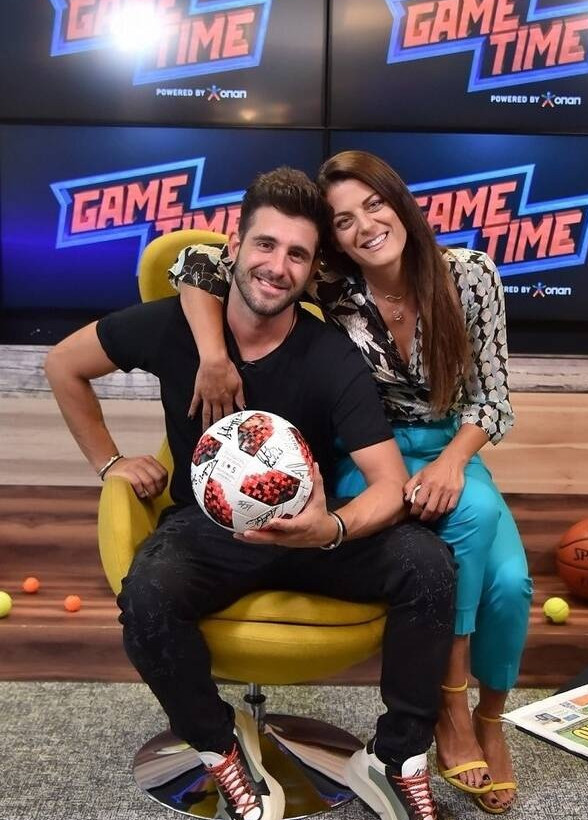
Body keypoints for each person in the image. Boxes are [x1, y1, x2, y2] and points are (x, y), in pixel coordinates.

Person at [45, 167, 456, 820]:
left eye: (297, 254)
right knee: (146, 594)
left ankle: (396, 756)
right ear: (233, 249)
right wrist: (110, 462)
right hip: (210, 531)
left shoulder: (329, 355)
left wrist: (332, 529)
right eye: (265, 245)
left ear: (311, 270)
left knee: (428, 564)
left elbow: (388, 484)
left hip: (310, 530)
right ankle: (219, 745)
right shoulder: (174, 327)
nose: (277, 266)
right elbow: (63, 364)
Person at [166, 152, 533, 814]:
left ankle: (490, 718)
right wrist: (213, 356)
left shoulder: (471, 275)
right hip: (370, 450)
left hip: (452, 447)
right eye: (343, 220)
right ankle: (450, 708)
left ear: (400, 202)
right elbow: (194, 262)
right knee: (474, 523)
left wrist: (453, 461)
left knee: (511, 585)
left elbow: (493, 398)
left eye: (374, 204)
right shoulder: (332, 284)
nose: (364, 226)